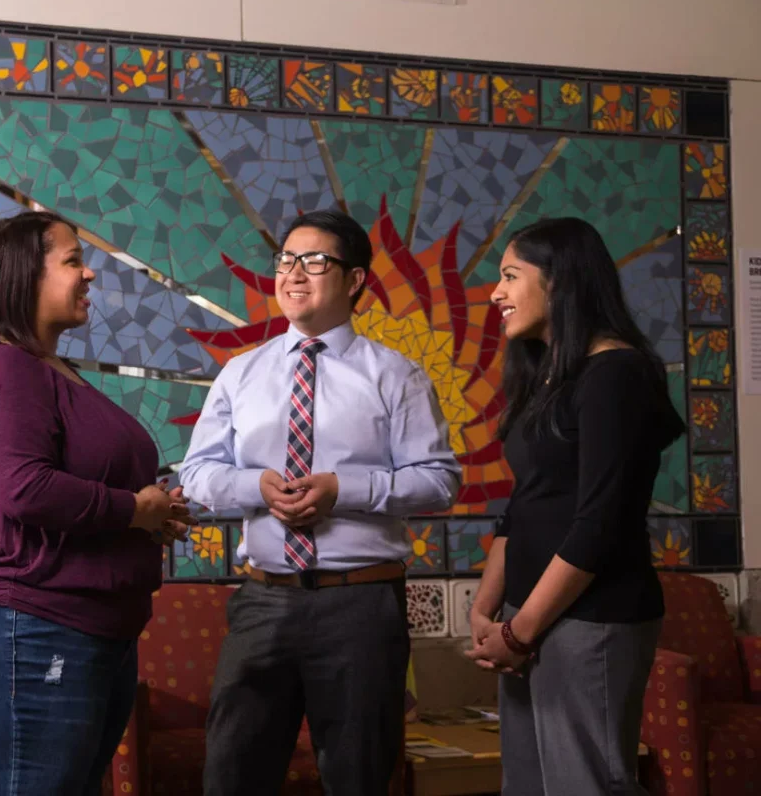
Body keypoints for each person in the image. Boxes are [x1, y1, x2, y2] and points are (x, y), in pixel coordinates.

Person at [179, 209, 461, 796]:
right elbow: (198, 474)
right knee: (232, 775)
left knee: (359, 777)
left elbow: (438, 481)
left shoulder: (396, 376)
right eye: (286, 260)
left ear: (354, 280)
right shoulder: (240, 374)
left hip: (360, 605)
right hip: (263, 600)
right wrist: (255, 486)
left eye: (314, 261)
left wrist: (343, 490)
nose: (293, 273)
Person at [0, 210, 193, 796]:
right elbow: (25, 489)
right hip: (34, 621)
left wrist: (154, 510)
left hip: (93, 624)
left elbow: (87, 483)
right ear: (24, 274)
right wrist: (134, 509)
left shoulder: (52, 371)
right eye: (73, 260)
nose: (90, 274)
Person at [465, 217, 686, 794]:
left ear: (559, 280)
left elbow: (599, 524)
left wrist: (521, 632)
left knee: (585, 785)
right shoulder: (548, 376)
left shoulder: (616, 375)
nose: (496, 293)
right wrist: (486, 610)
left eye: (510, 275)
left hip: (591, 620)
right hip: (528, 618)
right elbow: (526, 502)